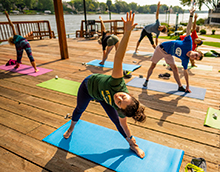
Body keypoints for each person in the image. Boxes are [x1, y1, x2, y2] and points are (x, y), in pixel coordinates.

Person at [64, 11, 146, 159]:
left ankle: (132, 146)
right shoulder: (117, 83)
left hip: (102, 96)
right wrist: (127, 34)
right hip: (88, 87)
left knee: (117, 121)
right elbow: (118, 58)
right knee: (79, 109)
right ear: (128, 93)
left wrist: (131, 139)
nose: (118, 98)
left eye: (119, 103)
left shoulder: (121, 108)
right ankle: (71, 127)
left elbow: (124, 125)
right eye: (122, 97)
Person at [143, 8, 204, 93]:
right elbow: (188, 29)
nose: (194, 57)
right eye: (196, 55)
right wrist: (191, 16)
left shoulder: (185, 60)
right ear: (195, 51)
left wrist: (188, 85)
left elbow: (185, 73)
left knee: (175, 68)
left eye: (195, 58)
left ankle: (180, 86)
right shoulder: (188, 43)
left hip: (168, 54)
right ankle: (146, 80)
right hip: (160, 49)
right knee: (153, 65)